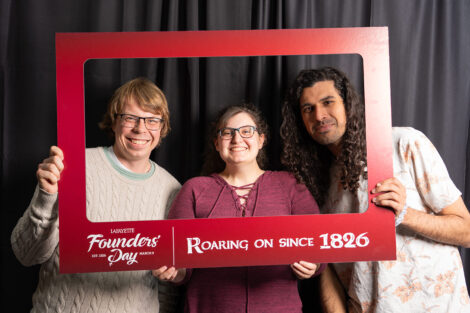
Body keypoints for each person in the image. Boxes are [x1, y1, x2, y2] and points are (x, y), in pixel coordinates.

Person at [280, 66, 470, 312]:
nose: (319, 116)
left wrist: (405, 214)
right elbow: (327, 265)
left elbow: (466, 231)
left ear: (349, 104)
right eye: (308, 109)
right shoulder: (316, 180)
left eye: (328, 102)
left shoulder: (404, 143)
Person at [11, 77, 181, 313]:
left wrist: (173, 272)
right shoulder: (72, 167)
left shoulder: (173, 189)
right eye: (130, 117)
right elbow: (26, 255)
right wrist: (46, 195)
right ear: (114, 122)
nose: (140, 129)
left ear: (162, 128)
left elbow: (166, 287)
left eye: (152, 120)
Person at [152, 103, 325, 313]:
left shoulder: (291, 186)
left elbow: (320, 244)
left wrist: (314, 265)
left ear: (261, 140)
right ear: (217, 143)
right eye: (227, 133)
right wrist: (174, 272)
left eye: (246, 131)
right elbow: (179, 261)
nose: (237, 139)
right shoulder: (194, 189)